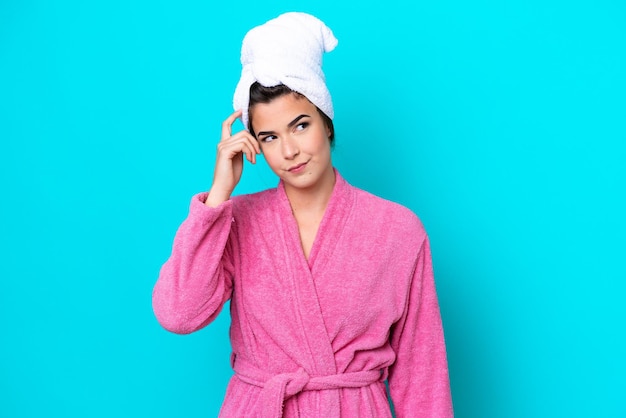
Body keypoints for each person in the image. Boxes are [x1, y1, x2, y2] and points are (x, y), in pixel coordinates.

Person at [152, 12, 453, 418]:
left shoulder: (398, 230)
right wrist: (218, 195)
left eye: (300, 125)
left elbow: (422, 374)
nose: (289, 151)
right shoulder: (236, 221)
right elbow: (179, 312)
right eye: (270, 137)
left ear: (326, 123)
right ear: (253, 144)